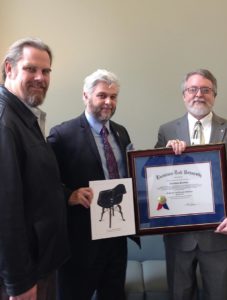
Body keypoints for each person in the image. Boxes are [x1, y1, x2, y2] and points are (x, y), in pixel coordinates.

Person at [155, 69, 227, 300]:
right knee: (179, 295)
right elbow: (156, 182)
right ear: (184, 95)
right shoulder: (167, 131)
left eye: (206, 90)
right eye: (192, 89)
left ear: (215, 95)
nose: (199, 94)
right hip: (179, 237)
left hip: (219, 235)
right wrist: (165, 155)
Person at [47, 69, 137, 300]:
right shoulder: (62, 134)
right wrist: (69, 195)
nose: (108, 102)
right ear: (86, 96)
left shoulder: (121, 132)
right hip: (80, 242)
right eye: (102, 95)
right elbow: (44, 183)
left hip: (117, 238)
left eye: (113, 96)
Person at [0, 38, 69, 299]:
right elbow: (5, 211)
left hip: (40, 263)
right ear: (10, 68)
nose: (40, 77)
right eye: (31, 69)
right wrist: (19, 283)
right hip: (24, 277)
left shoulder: (26, 117)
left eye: (46, 71)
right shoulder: (5, 123)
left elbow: (35, 186)